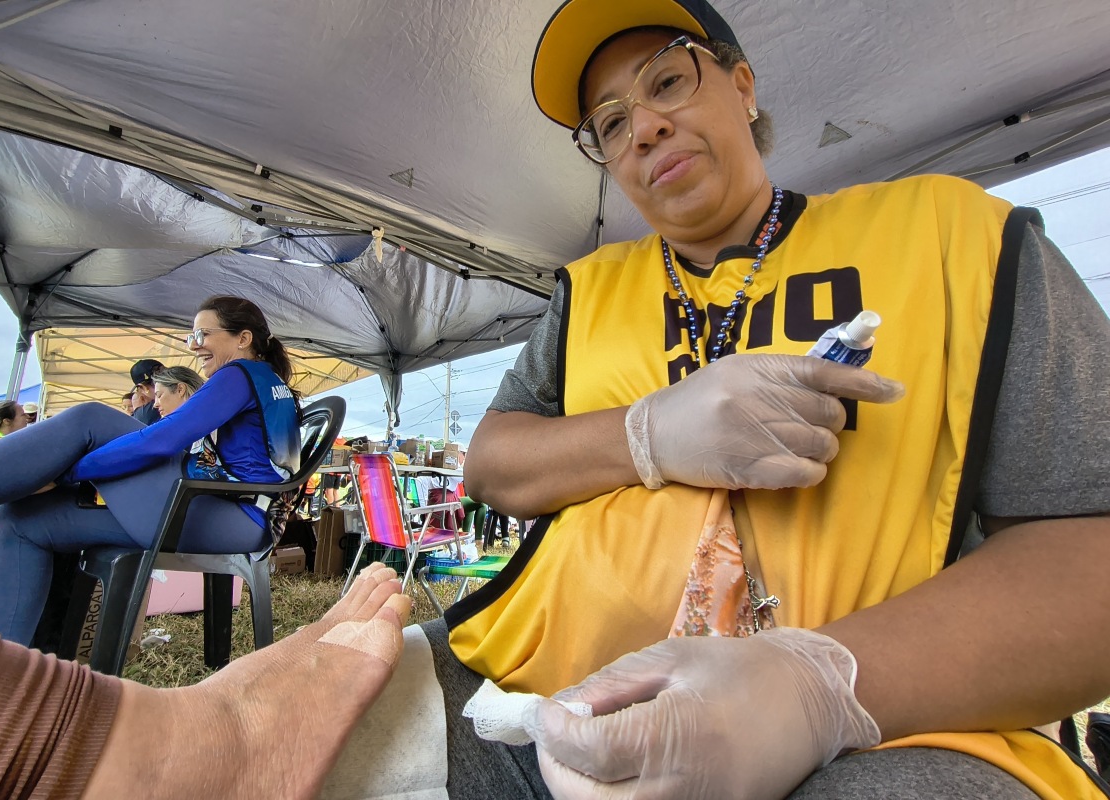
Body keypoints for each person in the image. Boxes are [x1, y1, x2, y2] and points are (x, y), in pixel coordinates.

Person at [321, 2, 1107, 799]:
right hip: (554, 699)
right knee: (323, 716)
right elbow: (491, 466)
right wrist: (646, 436)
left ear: (744, 87)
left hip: (881, 731)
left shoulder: (952, 238)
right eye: (612, 122)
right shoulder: (589, 292)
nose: (644, 128)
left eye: (667, 81)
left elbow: (1090, 549)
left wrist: (816, 688)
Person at [0, 295, 303, 646]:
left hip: (232, 516)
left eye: (203, 335)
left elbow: (162, 440)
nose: (194, 346)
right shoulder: (266, 380)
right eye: (191, 336)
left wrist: (66, 473)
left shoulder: (239, 374)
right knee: (17, 519)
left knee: (90, 419)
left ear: (243, 338)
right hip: (230, 512)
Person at [0, 562, 411, 799]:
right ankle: (158, 759)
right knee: (19, 514)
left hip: (223, 505)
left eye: (159, 395)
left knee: (24, 510)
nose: (154, 398)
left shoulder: (231, 394)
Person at [129, 358, 166, 425]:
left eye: (139, 389)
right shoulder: (183, 391)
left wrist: (138, 411)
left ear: (143, 387)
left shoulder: (146, 414)